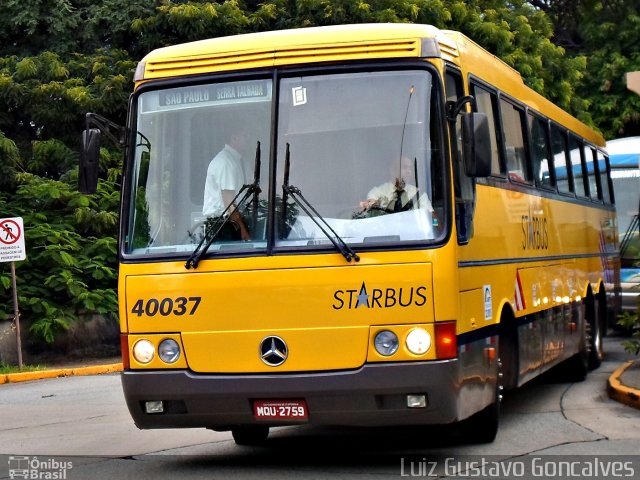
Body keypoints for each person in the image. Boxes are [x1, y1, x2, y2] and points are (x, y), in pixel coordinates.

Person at [202, 129, 251, 241]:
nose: (248, 139)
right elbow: (229, 204)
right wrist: (242, 230)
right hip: (224, 226)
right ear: (234, 138)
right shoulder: (225, 162)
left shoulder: (241, 161)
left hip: (235, 221)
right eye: (245, 135)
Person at [359, 156, 433, 214]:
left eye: (410, 168)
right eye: (404, 167)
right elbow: (371, 203)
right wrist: (371, 204)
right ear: (392, 170)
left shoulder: (419, 194)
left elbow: (432, 218)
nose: (409, 171)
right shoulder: (378, 192)